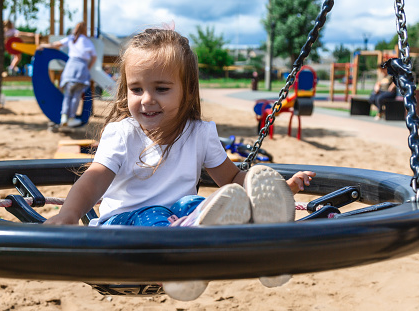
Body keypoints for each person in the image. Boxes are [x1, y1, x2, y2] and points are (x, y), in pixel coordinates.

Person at [44, 28, 315, 300]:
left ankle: (265, 255)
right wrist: (70, 213)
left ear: (187, 91)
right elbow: (94, 179)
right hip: (122, 230)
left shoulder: (199, 133)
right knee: (159, 216)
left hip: (181, 221)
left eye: (161, 89)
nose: (147, 99)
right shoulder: (122, 133)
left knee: (207, 204)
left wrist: (273, 190)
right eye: (136, 89)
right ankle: (182, 266)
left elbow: (232, 180)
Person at [37, 22, 97, 128]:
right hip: (81, 69)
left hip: (70, 67)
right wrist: (88, 67)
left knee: (67, 95)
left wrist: (43, 45)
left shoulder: (71, 39)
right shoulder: (87, 41)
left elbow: (56, 44)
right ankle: (72, 118)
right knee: (76, 95)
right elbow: (94, 56)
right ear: (85, 30)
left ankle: (64, 116)